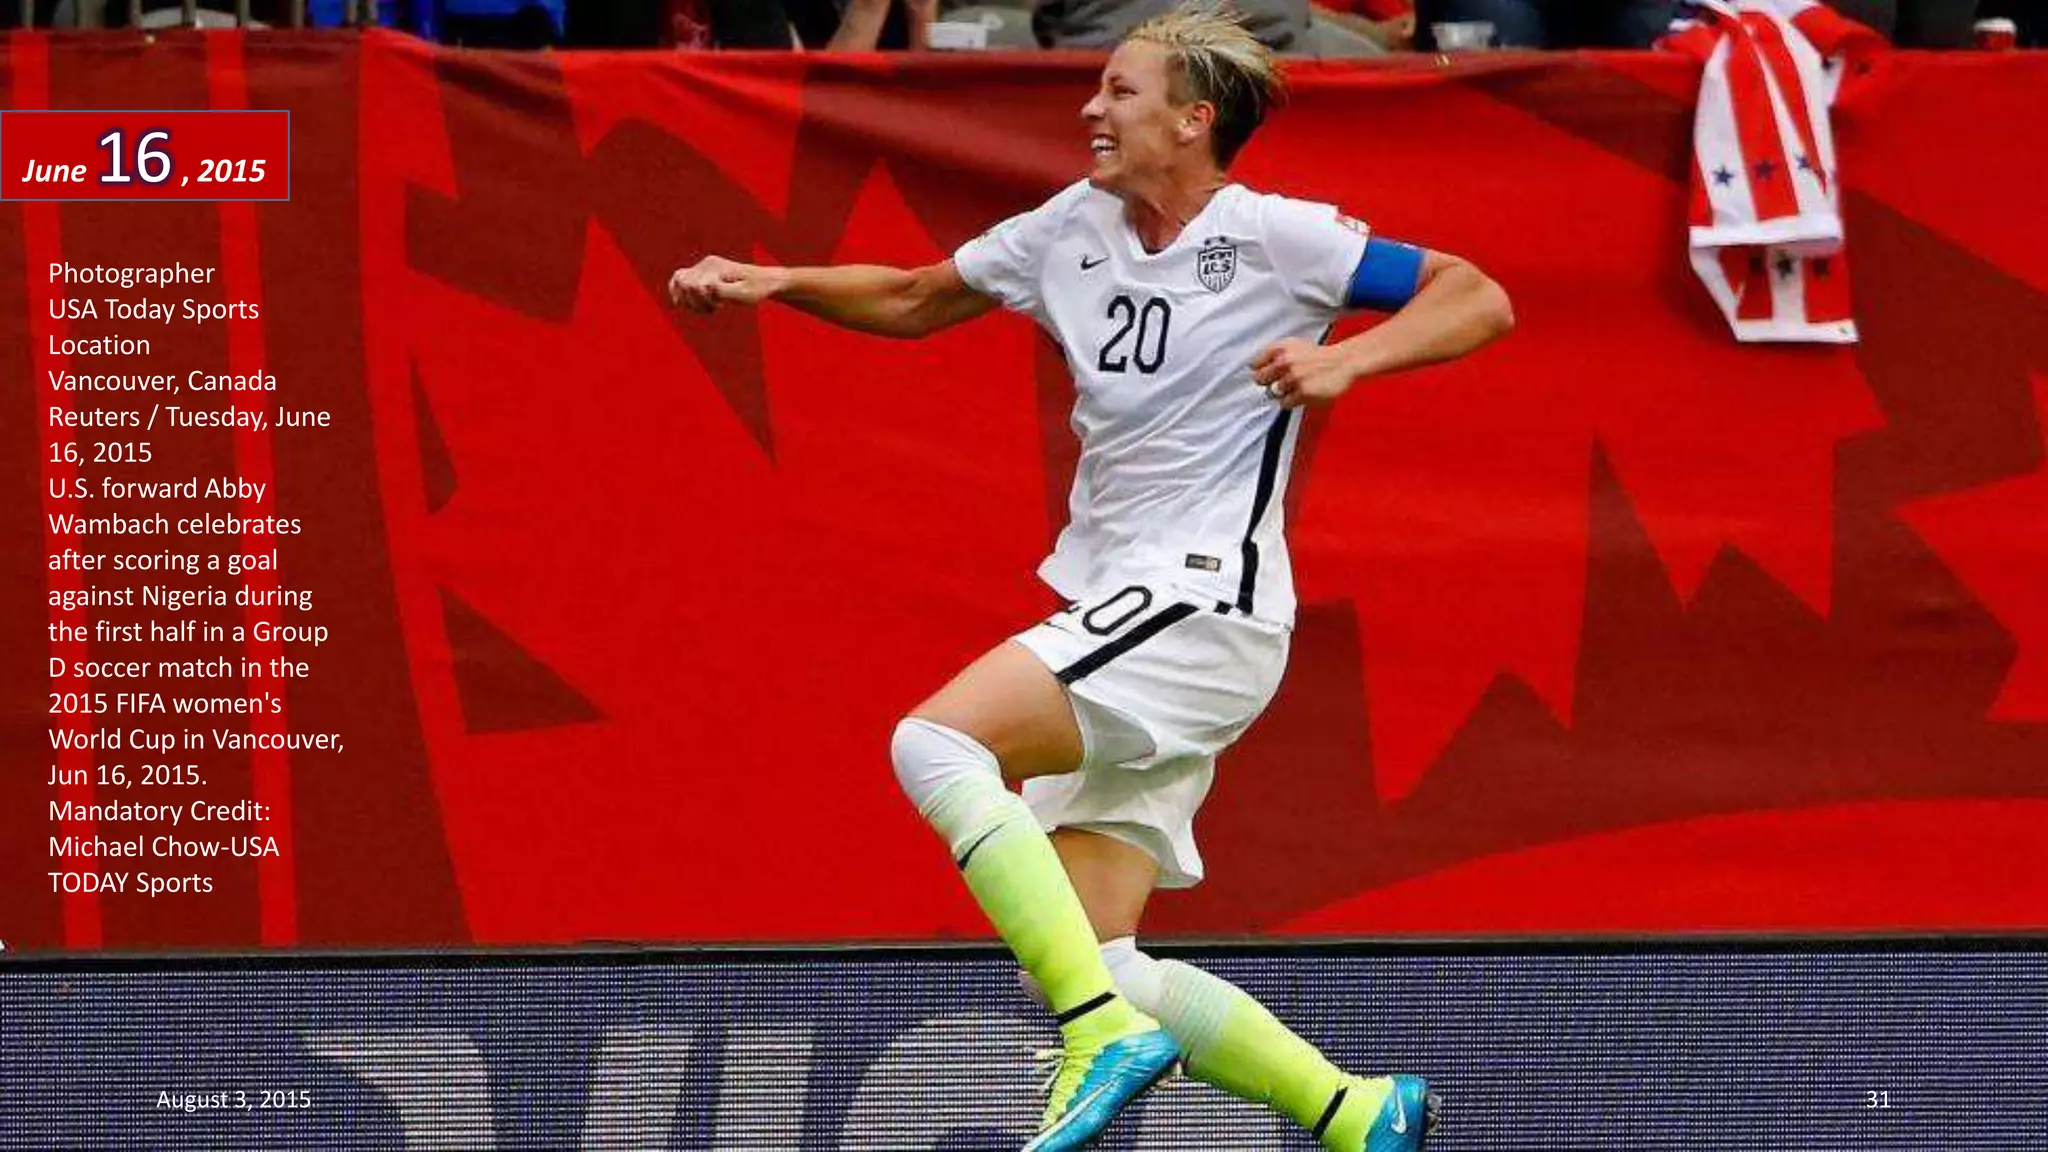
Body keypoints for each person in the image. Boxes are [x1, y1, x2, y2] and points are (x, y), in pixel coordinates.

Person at [669, 4, 1511, 1148]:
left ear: (1192, 119)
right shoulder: (1068, 225)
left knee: (935, 743)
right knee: (1087, 951)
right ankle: (1356, 1109)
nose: (1090, 109)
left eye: (1119, 91)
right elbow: (916, 297)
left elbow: (1475, 293)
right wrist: (774, 283)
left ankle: (1101, 1036)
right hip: (1137, 608)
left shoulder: (1278, 236)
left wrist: (1346, 360)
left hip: (1201, 601)